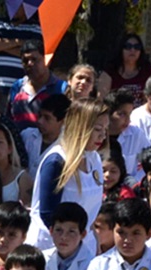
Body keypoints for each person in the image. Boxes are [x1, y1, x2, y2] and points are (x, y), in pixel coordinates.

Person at [28, 98, 108, 250]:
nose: (103, 136)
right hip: (52, 248)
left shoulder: (94, 158)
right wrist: (70, 246)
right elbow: (47, 215)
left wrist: (95, 242)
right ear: (81, 127)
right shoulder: (56, 162)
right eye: (97, 129)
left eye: (105, 129)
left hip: (84, 247)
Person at [7, 39, 68, 131]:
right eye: (25, 60)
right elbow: (9, 119)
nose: (30, 64)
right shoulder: (17, 87)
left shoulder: (62, 89)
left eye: (34, 60)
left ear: (47, 60)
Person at [98, 34, 151, 104]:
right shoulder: (109, 72)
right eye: (128, 46)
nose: (132, 50)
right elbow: (101, 101)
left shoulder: (147, 71)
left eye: (137, 47)